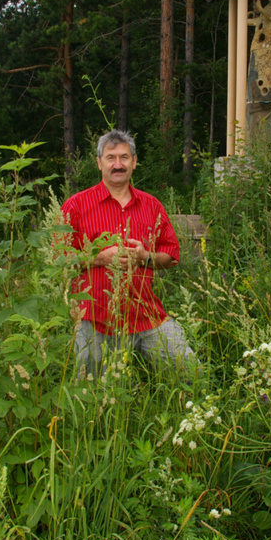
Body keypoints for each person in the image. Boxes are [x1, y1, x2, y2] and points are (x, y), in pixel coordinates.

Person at [61, 129, 199, 379]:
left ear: (134, 162)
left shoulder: (151, 205)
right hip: (94, 319)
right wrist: (99, 258)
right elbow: (58, 260)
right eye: (111, 157)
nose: (118, 164)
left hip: (146, 315)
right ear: (99, 162)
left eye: (124, 157)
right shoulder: (76, 205)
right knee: (89, 396)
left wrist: (145, 257)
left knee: (192, 373)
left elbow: (171, 256)